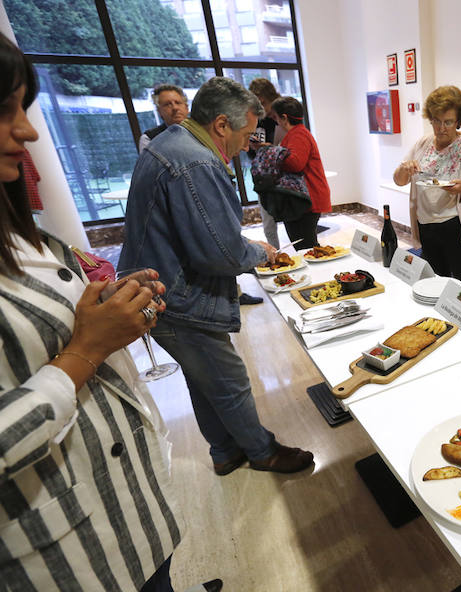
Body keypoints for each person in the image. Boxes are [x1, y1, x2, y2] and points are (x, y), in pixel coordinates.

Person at [0, 32, 222, 592]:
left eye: (23, 109)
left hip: (118, 502)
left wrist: (108, 303)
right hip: (61, 546)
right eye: (5, 112)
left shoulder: (21, 231)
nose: (26, 132)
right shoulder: (182, 157)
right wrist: (86, 349)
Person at [119, 77, 315, 475]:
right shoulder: (198, 162)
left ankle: (224, 451)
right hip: (177, 294)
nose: (247, 144)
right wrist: (262, 251)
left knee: (202, 377)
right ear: (222, 125)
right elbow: (221, 252)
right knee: (229, 380)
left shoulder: (171, 143)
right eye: (245, 134)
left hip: (156, 290)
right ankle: (263, 452)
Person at [393, 85, 461, 294]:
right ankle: (442, 326)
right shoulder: (423, 143)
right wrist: (404, 169)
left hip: (456, 227)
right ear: (430, 119)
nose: (442, 128)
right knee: (434, 286)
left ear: (458, 120)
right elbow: (399, 180)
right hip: (426, 225)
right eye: (436, 121)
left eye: (448, 122)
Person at [270, 96, 331, 249]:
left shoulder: (298, 135)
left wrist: (272, 153)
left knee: (306, 247)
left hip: (305, 200)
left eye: (276, 117)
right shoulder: (297, 134)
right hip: (301, 199)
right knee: (304, 246)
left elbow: (296, 163)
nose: (276, 122)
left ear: (284, 118)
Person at [247, 77, 284, 249]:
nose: (262, 108)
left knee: (293, 221)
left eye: (263, 102)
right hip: (263, 177)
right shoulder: (255, 120)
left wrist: (271, 149)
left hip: (284, 177)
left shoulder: (282, 118)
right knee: (268, 222)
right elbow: (249, 150)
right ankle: (275, 254)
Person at [139, 84, 189, 152]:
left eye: (178, 103)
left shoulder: (202, 129)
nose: (175, 108)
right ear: (159, 111)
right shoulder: (149, 139)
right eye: (167, 104)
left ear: (186, 107)